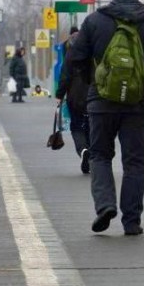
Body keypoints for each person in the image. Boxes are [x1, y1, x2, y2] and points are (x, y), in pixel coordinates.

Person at [67, 0, 144, 235]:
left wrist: (95, 81)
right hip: (136, 104)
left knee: (100, 156)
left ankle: (105, 205)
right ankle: (132, 221)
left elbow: (75, 57)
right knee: (135, 163)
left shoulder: (94, 21)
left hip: (101, 103)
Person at [56, 25, 91, 174]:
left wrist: (59, 95)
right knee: (92, 126)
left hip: (75, 97)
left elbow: (64, 78)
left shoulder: (70, 54)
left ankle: (83, 151)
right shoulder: (93, 51)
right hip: (94, 96)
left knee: (77, 127)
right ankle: (91, 154)